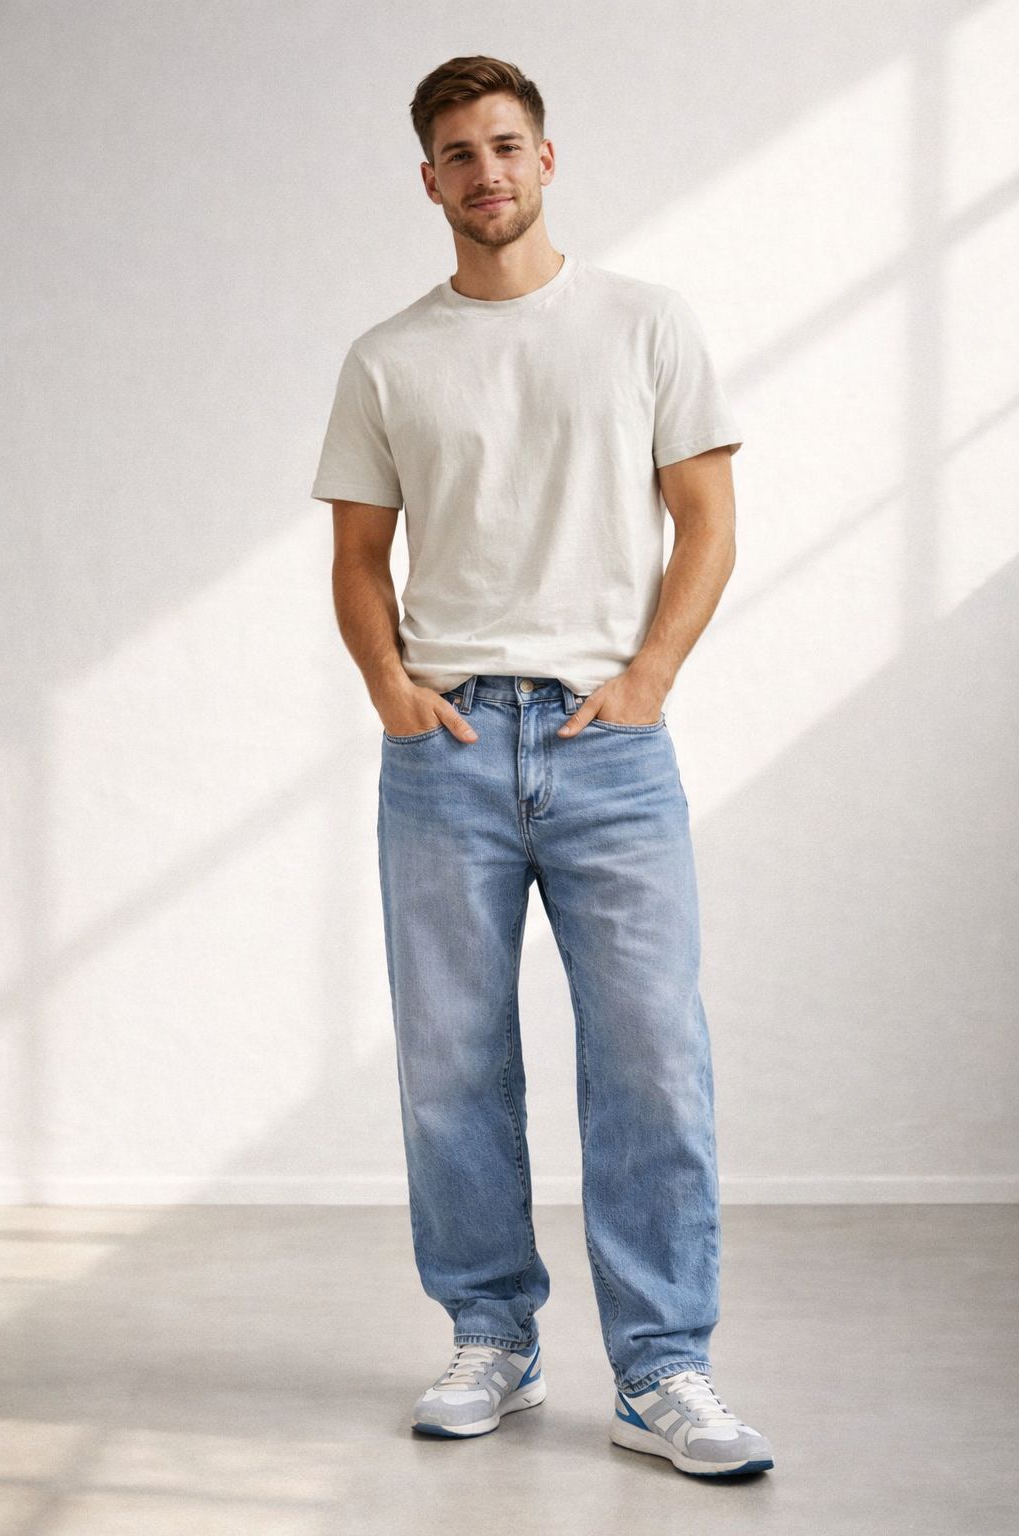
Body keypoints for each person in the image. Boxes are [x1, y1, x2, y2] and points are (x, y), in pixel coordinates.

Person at [310, 54, 775, 1479]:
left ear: (547, 159)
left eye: (507, 145)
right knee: (451, 1063)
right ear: (429, 180)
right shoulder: (388, 357)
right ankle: (491, 1337)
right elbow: (357, 556)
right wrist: (391, 691)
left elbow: (707, 522)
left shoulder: (645, 323)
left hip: (606, 744)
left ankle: (663, 1368)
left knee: (653, 1060)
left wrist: (648, 681)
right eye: (459, 154)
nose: (487, 172)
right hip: (445, 753)